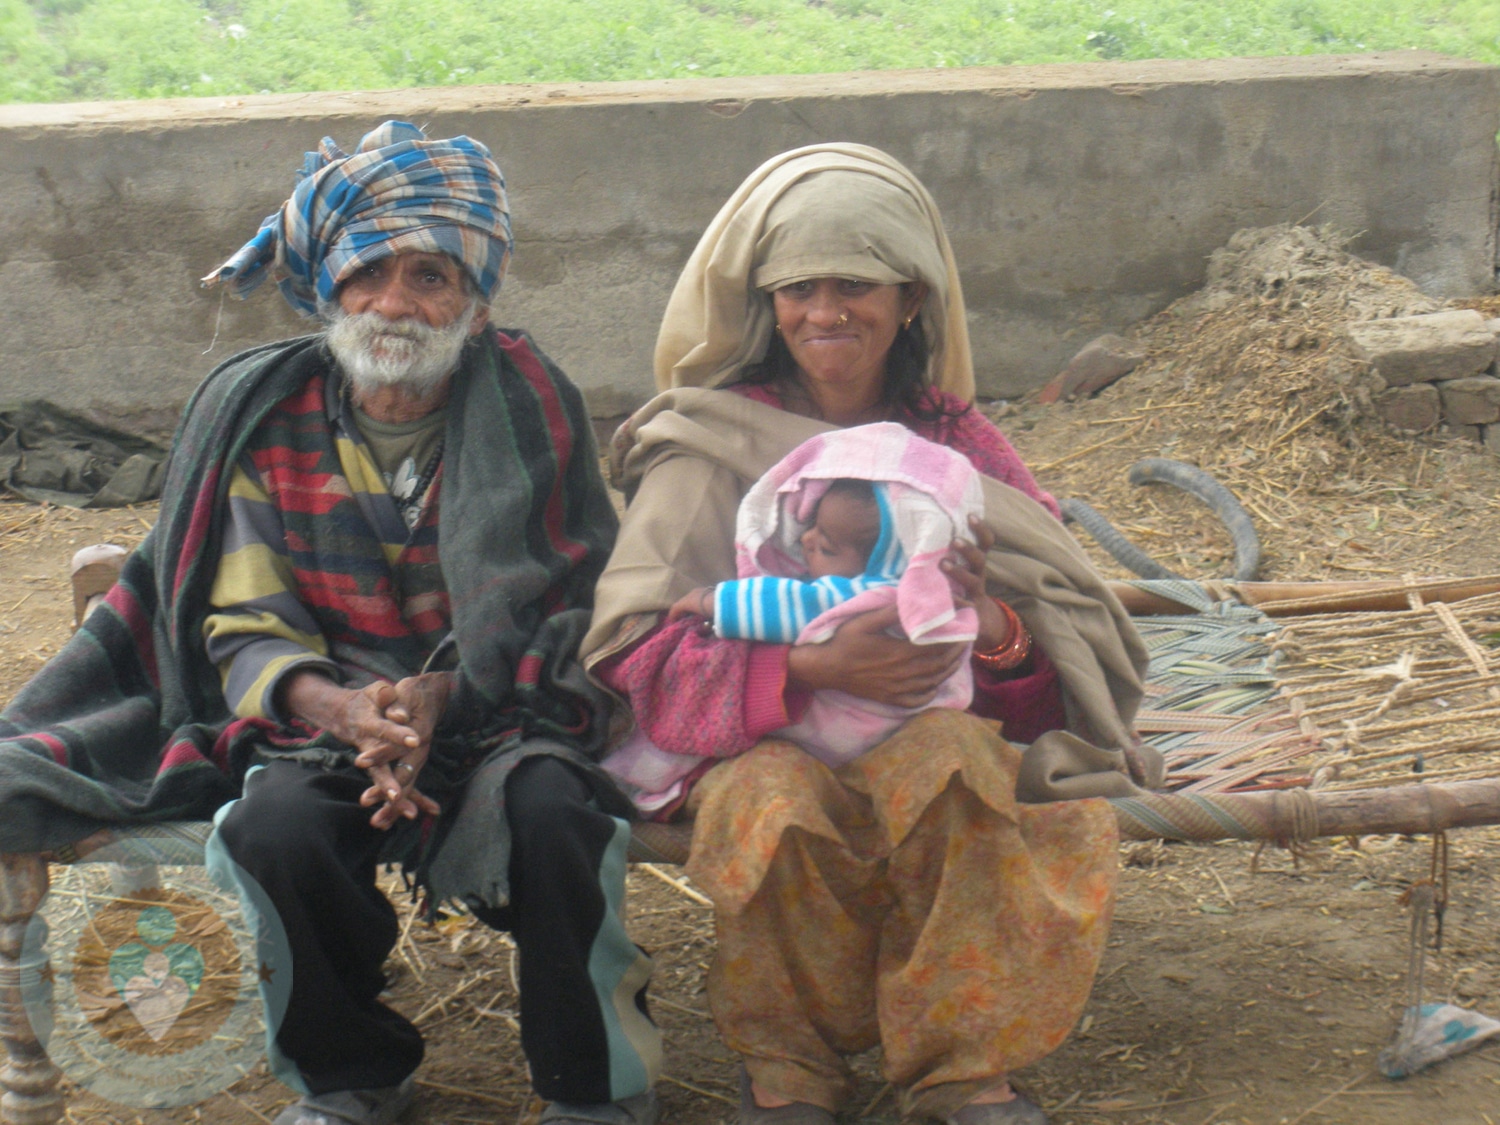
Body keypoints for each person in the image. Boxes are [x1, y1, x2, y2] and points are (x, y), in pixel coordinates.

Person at [0, 121, 659, 1125]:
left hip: (498, 711)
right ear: (327, 287)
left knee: (558, 818)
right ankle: (352, 1078)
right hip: (316, 715)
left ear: (477, 303)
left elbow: (567, 604)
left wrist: (442, 696)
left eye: (432, 276)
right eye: (369, 273)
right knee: (275, 830)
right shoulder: (260, 415)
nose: (397, 303)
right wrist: (347, 710)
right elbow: (241, 618)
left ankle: (591, 1086)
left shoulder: (531, 404)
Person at [581, 144, 1160, 1125]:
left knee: (964, 773)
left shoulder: (959, 449)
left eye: (855, 286)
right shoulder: (708, 442)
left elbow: (1057, 665)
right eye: (798, 289)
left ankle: (959, 1071)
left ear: (911, 301)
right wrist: (805, 666)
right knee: (768, 804)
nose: (825, 312)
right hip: (763, 738)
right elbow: (636, 661)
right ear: (767, 305)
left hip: (929, 725)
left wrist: (998, 634)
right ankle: (790, 1073)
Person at [663, 422, 989, 769]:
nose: (805, 541)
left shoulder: (875, 594)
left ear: (883, 562)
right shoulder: (933, 598)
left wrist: (712, 602)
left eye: (826, 547)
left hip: (860, 733)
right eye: (810, 527)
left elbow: (791, 604)